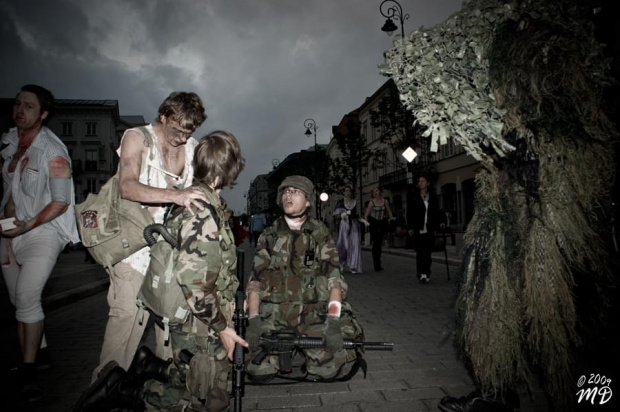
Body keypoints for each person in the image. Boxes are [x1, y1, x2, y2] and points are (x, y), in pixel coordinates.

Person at [74, 130, 248, 412]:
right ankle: (121, 389)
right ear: (226, 172)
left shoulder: (199, 202)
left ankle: (149, 367)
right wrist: (223, 328)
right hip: (199, 325)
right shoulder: (203, 213)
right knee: (204, 399)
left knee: (202, 384)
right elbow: (194, 282)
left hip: (200, 319)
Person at [92, 91, 209, 380]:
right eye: (177, 130)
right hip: (135, 247)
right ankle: (105, 388)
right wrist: (176, 195)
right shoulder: (137, 138)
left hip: (171, 251)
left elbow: (202, 189)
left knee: (171, 322)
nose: (182, 137)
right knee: (127, 318)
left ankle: (166, 392)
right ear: (163, 116)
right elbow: (127, 187)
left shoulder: (192, 147)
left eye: (189, 131)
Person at [0, 84, 80, 401]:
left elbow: (60, 202)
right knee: (18, 301)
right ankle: (41, 353)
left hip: (42, 232)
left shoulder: (53, 151)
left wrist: (26, 226)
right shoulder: (8, 141)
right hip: (8, 233)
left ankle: (28, 372)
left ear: (43, 114)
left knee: (27, 297)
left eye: (29, 106)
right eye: (18, 104)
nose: (20, 110)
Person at [245, 176, 364, 381]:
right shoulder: (269, 235)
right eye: (285, 191)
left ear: (308, 201)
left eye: (295, 191)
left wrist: (333, 320)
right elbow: (255, 280)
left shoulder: (319, 233)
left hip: (312, 314)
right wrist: (254, 320)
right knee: (257, 370)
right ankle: (289, 349)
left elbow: (334, 278)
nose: (288, 195)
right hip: (275, 315)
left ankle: (308, 349)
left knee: (325, 370)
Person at [406, 175, 444, 283]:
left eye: (423, 181)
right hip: (418, 227)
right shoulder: (413, 196)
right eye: (419, 181)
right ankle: (421, 273)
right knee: (420, 252)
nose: (420, 183)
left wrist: (441, 221)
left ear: (428, 183)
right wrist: (410, 227)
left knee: (427, 252)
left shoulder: (433, 196)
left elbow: (437, 210)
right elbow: (409, 213)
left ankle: (427, 272)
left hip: (430, 227)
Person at [333, 186, 363, 273]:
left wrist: (362, 220)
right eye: (346, 191)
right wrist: (343, 214)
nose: (348, 192)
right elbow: (336, 216)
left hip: (353, 225)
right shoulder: (340, 203)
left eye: (349, 191)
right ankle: (341, 263)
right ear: (343, 192)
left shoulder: (354, 202)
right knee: (344, 245)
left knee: (354, 245)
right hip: (344, 225)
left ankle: (353, 265)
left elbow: (357, 215)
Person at [363, 187, 394, 272]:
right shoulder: (371, 203)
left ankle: (378, 262)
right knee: (376, 243)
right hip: (374, 223)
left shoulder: (385, 201)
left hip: (382, 223)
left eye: (377, 191)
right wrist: (366, 223)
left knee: (379, 243)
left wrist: (391, 219)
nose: (375, 193)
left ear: (380, 191)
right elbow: (366, 214)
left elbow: (389, 211)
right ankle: (376, 264)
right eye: (373, 192)